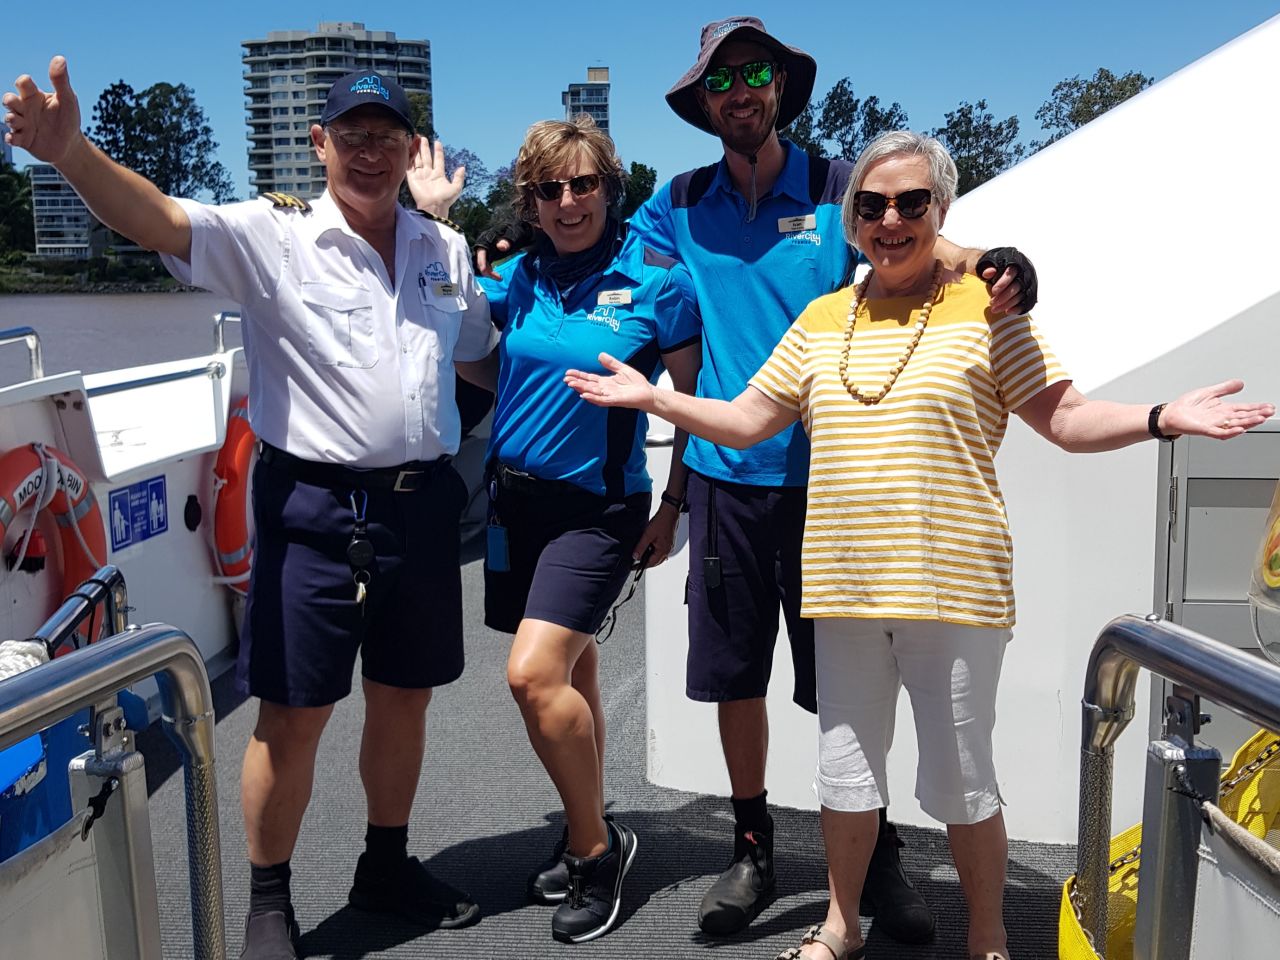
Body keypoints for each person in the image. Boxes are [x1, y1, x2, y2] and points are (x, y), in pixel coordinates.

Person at [564, 129, 1274, 960]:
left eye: (911, 203)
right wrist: (658, 400)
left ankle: (987, 935)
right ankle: (840, 926)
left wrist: (1160, 417)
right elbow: (750, 418)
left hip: (954, 592)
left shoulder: (988, 310)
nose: (891, 221)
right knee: (845, 776)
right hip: (845, 591)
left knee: (963, 780)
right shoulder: (824, 319)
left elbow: (1066, 418)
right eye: (872, 205)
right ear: (851, 220)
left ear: (941, 210)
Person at [479, 16, 1033, 942]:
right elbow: (596, 247)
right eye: (722, 79)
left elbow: (913, 240)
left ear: (780, 87)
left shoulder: (838, 187)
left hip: (831, 484)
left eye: (755, 74)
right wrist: (506, 258)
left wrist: (995, 265)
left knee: (846, 690)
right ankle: (752, 845)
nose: (739, 91)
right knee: (736, 678)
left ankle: (877, 857)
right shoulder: (677, 203)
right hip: (725, 475)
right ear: (703, 102)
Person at [4, 60, 497, 960]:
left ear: (409, 149)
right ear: (320, 145)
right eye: (353, 136)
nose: (371, 153)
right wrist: (70, 151)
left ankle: (385, 867)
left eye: (388, 137)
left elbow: (478, 356)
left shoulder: (445, 251)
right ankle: (270, 903)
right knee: (292, 714)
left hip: (423, 509)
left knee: (405, 698)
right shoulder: (274, 238)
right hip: (315, 510)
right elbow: (157, 217)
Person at [422, 116, 701, 943]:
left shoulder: (657, 282)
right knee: (574, 669)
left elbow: (692, 404)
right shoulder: (520, 277)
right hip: (516, 507)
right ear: (531, 201)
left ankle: (595, 850)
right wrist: (436, 221)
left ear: (610, 190)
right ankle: (590, 815)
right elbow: (473, 349)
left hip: (596, 512)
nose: (568, 201)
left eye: (583, 185)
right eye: (550, 189)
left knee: (532, 675)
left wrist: (675, 506)